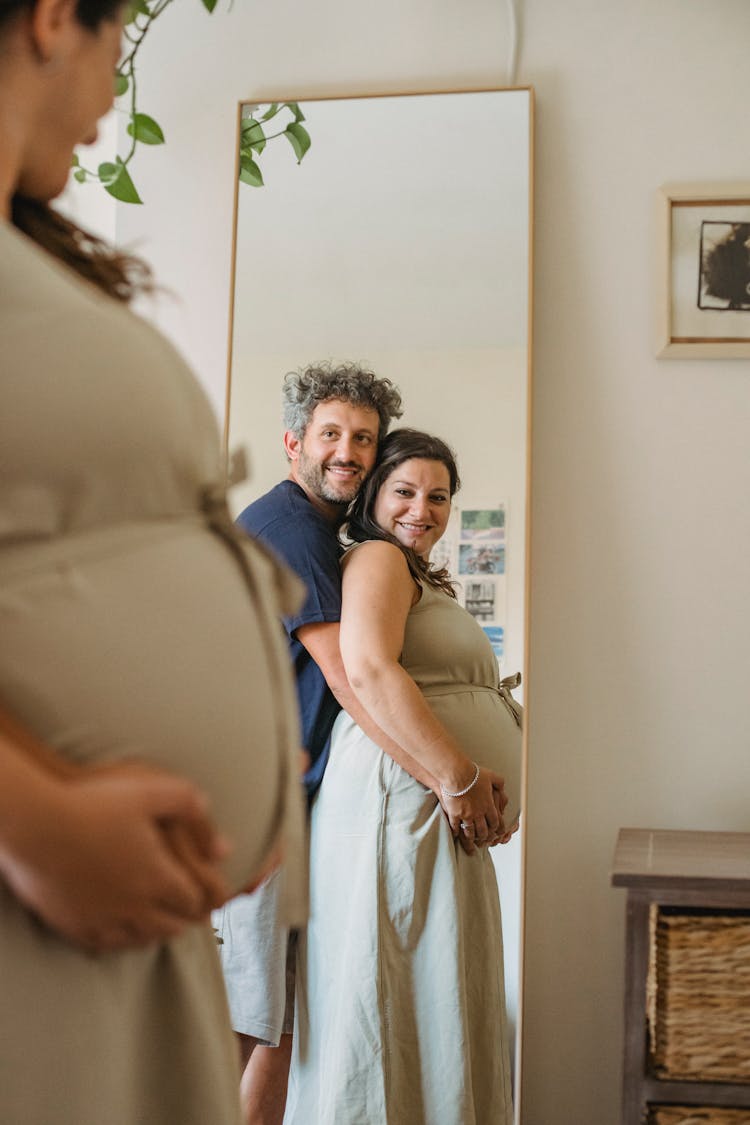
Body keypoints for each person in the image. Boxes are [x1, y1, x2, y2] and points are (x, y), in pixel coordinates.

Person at [0, 2, 306, 1122]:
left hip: (131, 940)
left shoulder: (34, 253)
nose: (109, 101)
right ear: (51, 20)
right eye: (121, 32)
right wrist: (33, 820)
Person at [214, 361, 434, 1124]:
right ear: (292, 443)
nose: (349, 451)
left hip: (283, 801)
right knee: (258, 1023)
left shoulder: (317, 530)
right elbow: (352, 678)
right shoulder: (291, 529)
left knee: (272, 1021)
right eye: (332, 434)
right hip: (258, 802)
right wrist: (448, 780)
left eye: (364, 438)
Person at [284, 429, 523, 1125]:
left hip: (424, 802)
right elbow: (368, 669)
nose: (424, 508)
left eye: (439, 495)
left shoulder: (409, 567)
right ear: (372, 496)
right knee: (399, 991)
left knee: (431, 991)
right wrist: (459, 776)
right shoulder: (380, 559)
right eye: (405, 491)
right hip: (405, 799)